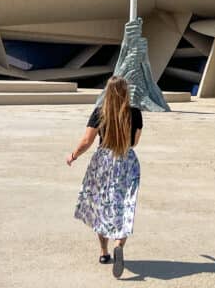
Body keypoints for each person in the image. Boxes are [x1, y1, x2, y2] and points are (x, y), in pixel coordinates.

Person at [66, 75, 143, 279]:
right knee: (124, 205)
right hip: (126, 161)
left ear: (108, 92)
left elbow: (86, 140)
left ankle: (104, 252)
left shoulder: (100, 113)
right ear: (126, 92)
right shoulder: (135, 113)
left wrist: (73, 155)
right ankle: (119, 244)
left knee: (101, 205)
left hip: (103, 161)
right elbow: (135, 142)